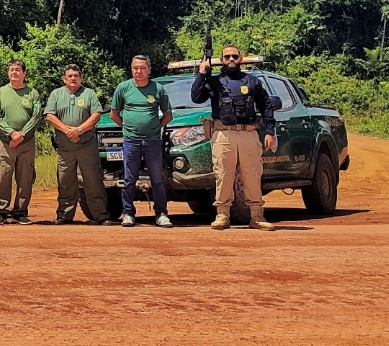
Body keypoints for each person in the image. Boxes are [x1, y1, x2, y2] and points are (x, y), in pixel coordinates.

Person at [191, 46, 277, 231]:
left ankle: (257, 216)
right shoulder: (214, 82)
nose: (231, 59)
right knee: (223, 174)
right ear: (221, 60)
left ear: (241, 58)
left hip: (249, 133)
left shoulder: (252, 81)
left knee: (252, 174)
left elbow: (266, 105)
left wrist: (270, 131)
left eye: (234, 56)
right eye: (227, 56)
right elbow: (196, 97)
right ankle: (222, 215)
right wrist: (201, 74)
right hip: (223, 134)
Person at [110, 55, 174, 228]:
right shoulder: (123, 88)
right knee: (130, 179)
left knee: (157, 179)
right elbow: (114, 114)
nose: (139, 71)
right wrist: (126, 127)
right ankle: (128, 213)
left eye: (142, 68)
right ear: (131, 69)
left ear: (149, 70)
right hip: (131, 141)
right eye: (135, 68)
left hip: (153, 141)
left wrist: (155, 128)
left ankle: (161, 213)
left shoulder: (158, 89)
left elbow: (168, 115)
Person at [44, 66, 109, 224]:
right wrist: (67, 130)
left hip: (86, 146)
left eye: (76, 76)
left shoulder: (89, 94)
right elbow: (49, 116)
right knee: (65, 181)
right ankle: (64, 215)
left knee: (93, 180)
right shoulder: (56, 94)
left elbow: (96, 115)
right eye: (70, 76)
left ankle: (100, 216)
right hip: (64, 147)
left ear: (82, 78)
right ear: (64, 79)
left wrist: (79, 130)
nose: (73, 78)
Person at [0, 60, 41, 225]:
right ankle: (0, 211)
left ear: (24, 73)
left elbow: (36, 117)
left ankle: (20, 211)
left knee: (25, 177)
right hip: (5, 142)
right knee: (2, 176)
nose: (14, 73)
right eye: (11, 70)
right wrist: (12, 134)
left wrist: (22, 135)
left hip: (26, 143)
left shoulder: (32, 93)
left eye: (18, 70)